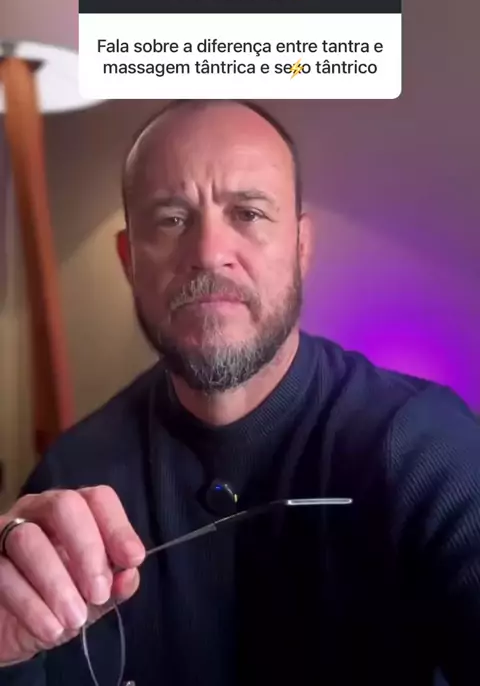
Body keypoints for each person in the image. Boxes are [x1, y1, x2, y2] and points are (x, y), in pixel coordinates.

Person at [0, 99, 477, 686]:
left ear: (300, 248)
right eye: (171, 219)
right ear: (129, 261)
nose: (207, 253)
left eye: (248, 213)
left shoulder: (425, 447)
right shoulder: (71, 473)